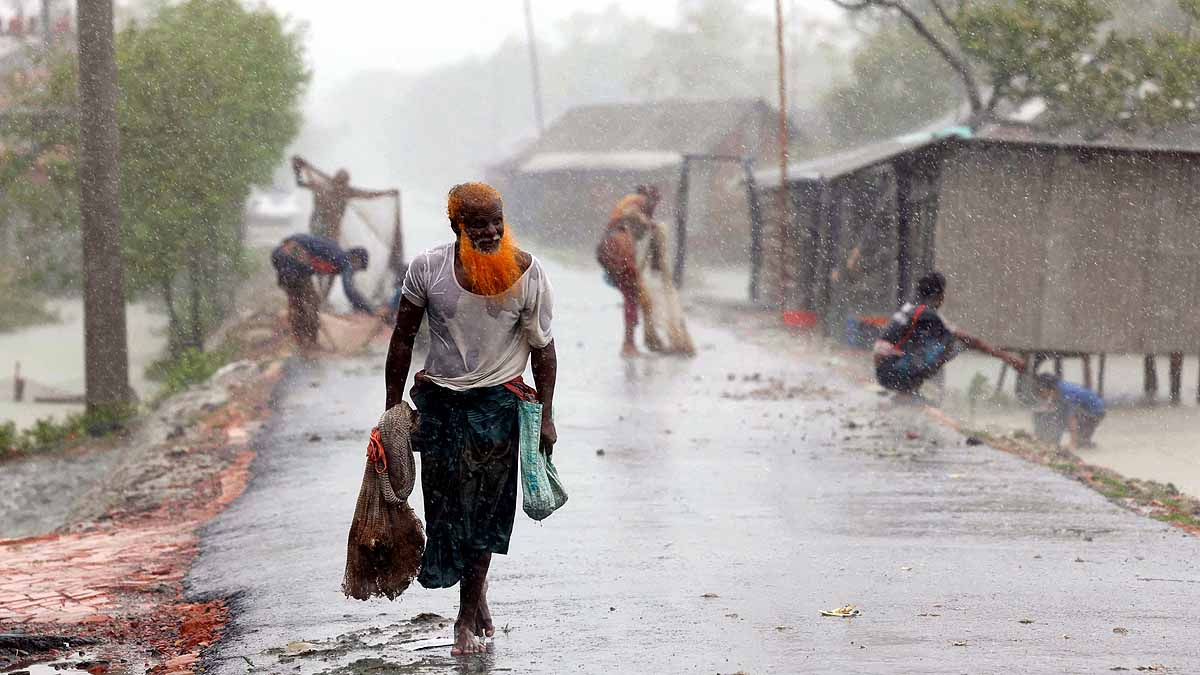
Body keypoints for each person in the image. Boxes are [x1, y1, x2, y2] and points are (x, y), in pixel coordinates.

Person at [384, 182, 557, 656]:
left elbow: (543, 350)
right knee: (444, 509)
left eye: (495, 220)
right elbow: (402, 339)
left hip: (498, 406)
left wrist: (546, 415)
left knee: (486, 509)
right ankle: (476, 593)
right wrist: (391, 408)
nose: (490, 230)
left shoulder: (527, 272)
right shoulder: (427, 270)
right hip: (440, 404)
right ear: (456, 226)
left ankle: (465, 613)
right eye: (477, 223)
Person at [874, 271, 1025, 399]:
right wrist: (1005, 356)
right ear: (939, 295)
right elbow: (967, 339)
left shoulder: (911, 308)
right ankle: (907, 391)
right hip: (894, 372)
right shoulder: (926, 314)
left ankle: (907, 390)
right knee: (954, 344)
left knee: (943, 341)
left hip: (885, 370)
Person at [270, 234, 375, 350]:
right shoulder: (345, 261)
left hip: (280, 254)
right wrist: (370, 310)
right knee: (310, 304)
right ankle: (311, 344)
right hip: (292, 260)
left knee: (297, 303)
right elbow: (349, 290)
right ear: (356, 259)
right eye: (358, 268)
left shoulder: (334, 255)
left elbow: (323, 276)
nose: (354, 271)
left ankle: (301, 342)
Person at [596, 185, 664, 357]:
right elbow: (631, 212)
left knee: (632, 295)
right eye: (655, 203)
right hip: (619, 248)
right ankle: (628, 344)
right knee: (631, 295)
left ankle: (630, 342)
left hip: (608, 248)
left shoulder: (630, 203)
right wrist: (646, 221)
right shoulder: (638, 201)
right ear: (651, 199)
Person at [291, 155, 398, 242]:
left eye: (344, 182)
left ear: (346, 182)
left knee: (328, 249)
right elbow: (301, 183)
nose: (341, 185)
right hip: (318, 225)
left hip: (332, 230)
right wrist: (298, 169)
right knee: (316, 246)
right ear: (335, 179)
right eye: (339, 181)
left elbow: (368, 195)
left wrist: (386, 193)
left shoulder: (347, 192)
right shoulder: (322, 186)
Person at [1033, 372, 1105, 448]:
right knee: (1082, 441)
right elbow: (1053, 402)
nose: (1039, 394)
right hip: (1093, 409)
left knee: (1066, 417)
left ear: (1049, 389)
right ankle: (1083, 440)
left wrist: (1073, 442)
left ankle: (1076, 442)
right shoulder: (1058, 387)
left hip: (1095, 412)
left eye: (1041, 391)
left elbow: (1071, 418)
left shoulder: (1066, 393)